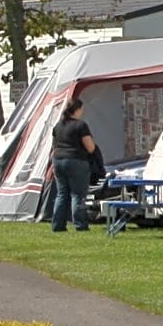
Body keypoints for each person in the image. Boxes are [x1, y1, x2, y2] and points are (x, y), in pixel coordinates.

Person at [48, 95, 99, 233]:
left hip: (58, 160)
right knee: (78, 195)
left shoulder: (58, 126)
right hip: (76, 161)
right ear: (77, 110)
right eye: (81, 109)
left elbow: (54, 147)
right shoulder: (80, 125)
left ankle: (58, 225)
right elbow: (90, 147)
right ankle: (80, 224)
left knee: (61, 194)